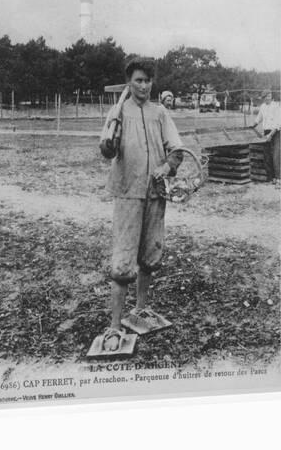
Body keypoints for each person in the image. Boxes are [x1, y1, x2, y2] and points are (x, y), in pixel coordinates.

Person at [97, 57, 183, 353]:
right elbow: (106, 151)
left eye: (147, 80)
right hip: (128, 192)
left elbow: (177, 151)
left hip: (156, 193)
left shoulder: (160, 113)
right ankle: (114, 326)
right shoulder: (118, 111)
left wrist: (167, 167)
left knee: (149, 255)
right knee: (123, 261)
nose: (143, 86)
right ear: (129, 82)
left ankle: (141, 309)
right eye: (138, 80)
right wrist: (109, 142)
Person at [252, 90, 281, 186]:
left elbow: (278, 123)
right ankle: (270, 177)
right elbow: (259, 118)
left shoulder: (276, 106)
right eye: (266, 97)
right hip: (266, 132)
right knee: (267, 155)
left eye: (269, 96)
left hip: (276, 132)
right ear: (263, 98)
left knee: (276, 155)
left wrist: (271, 135)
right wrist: (252, 126)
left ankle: (278, 178)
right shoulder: (263, 107)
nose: (268, 98)